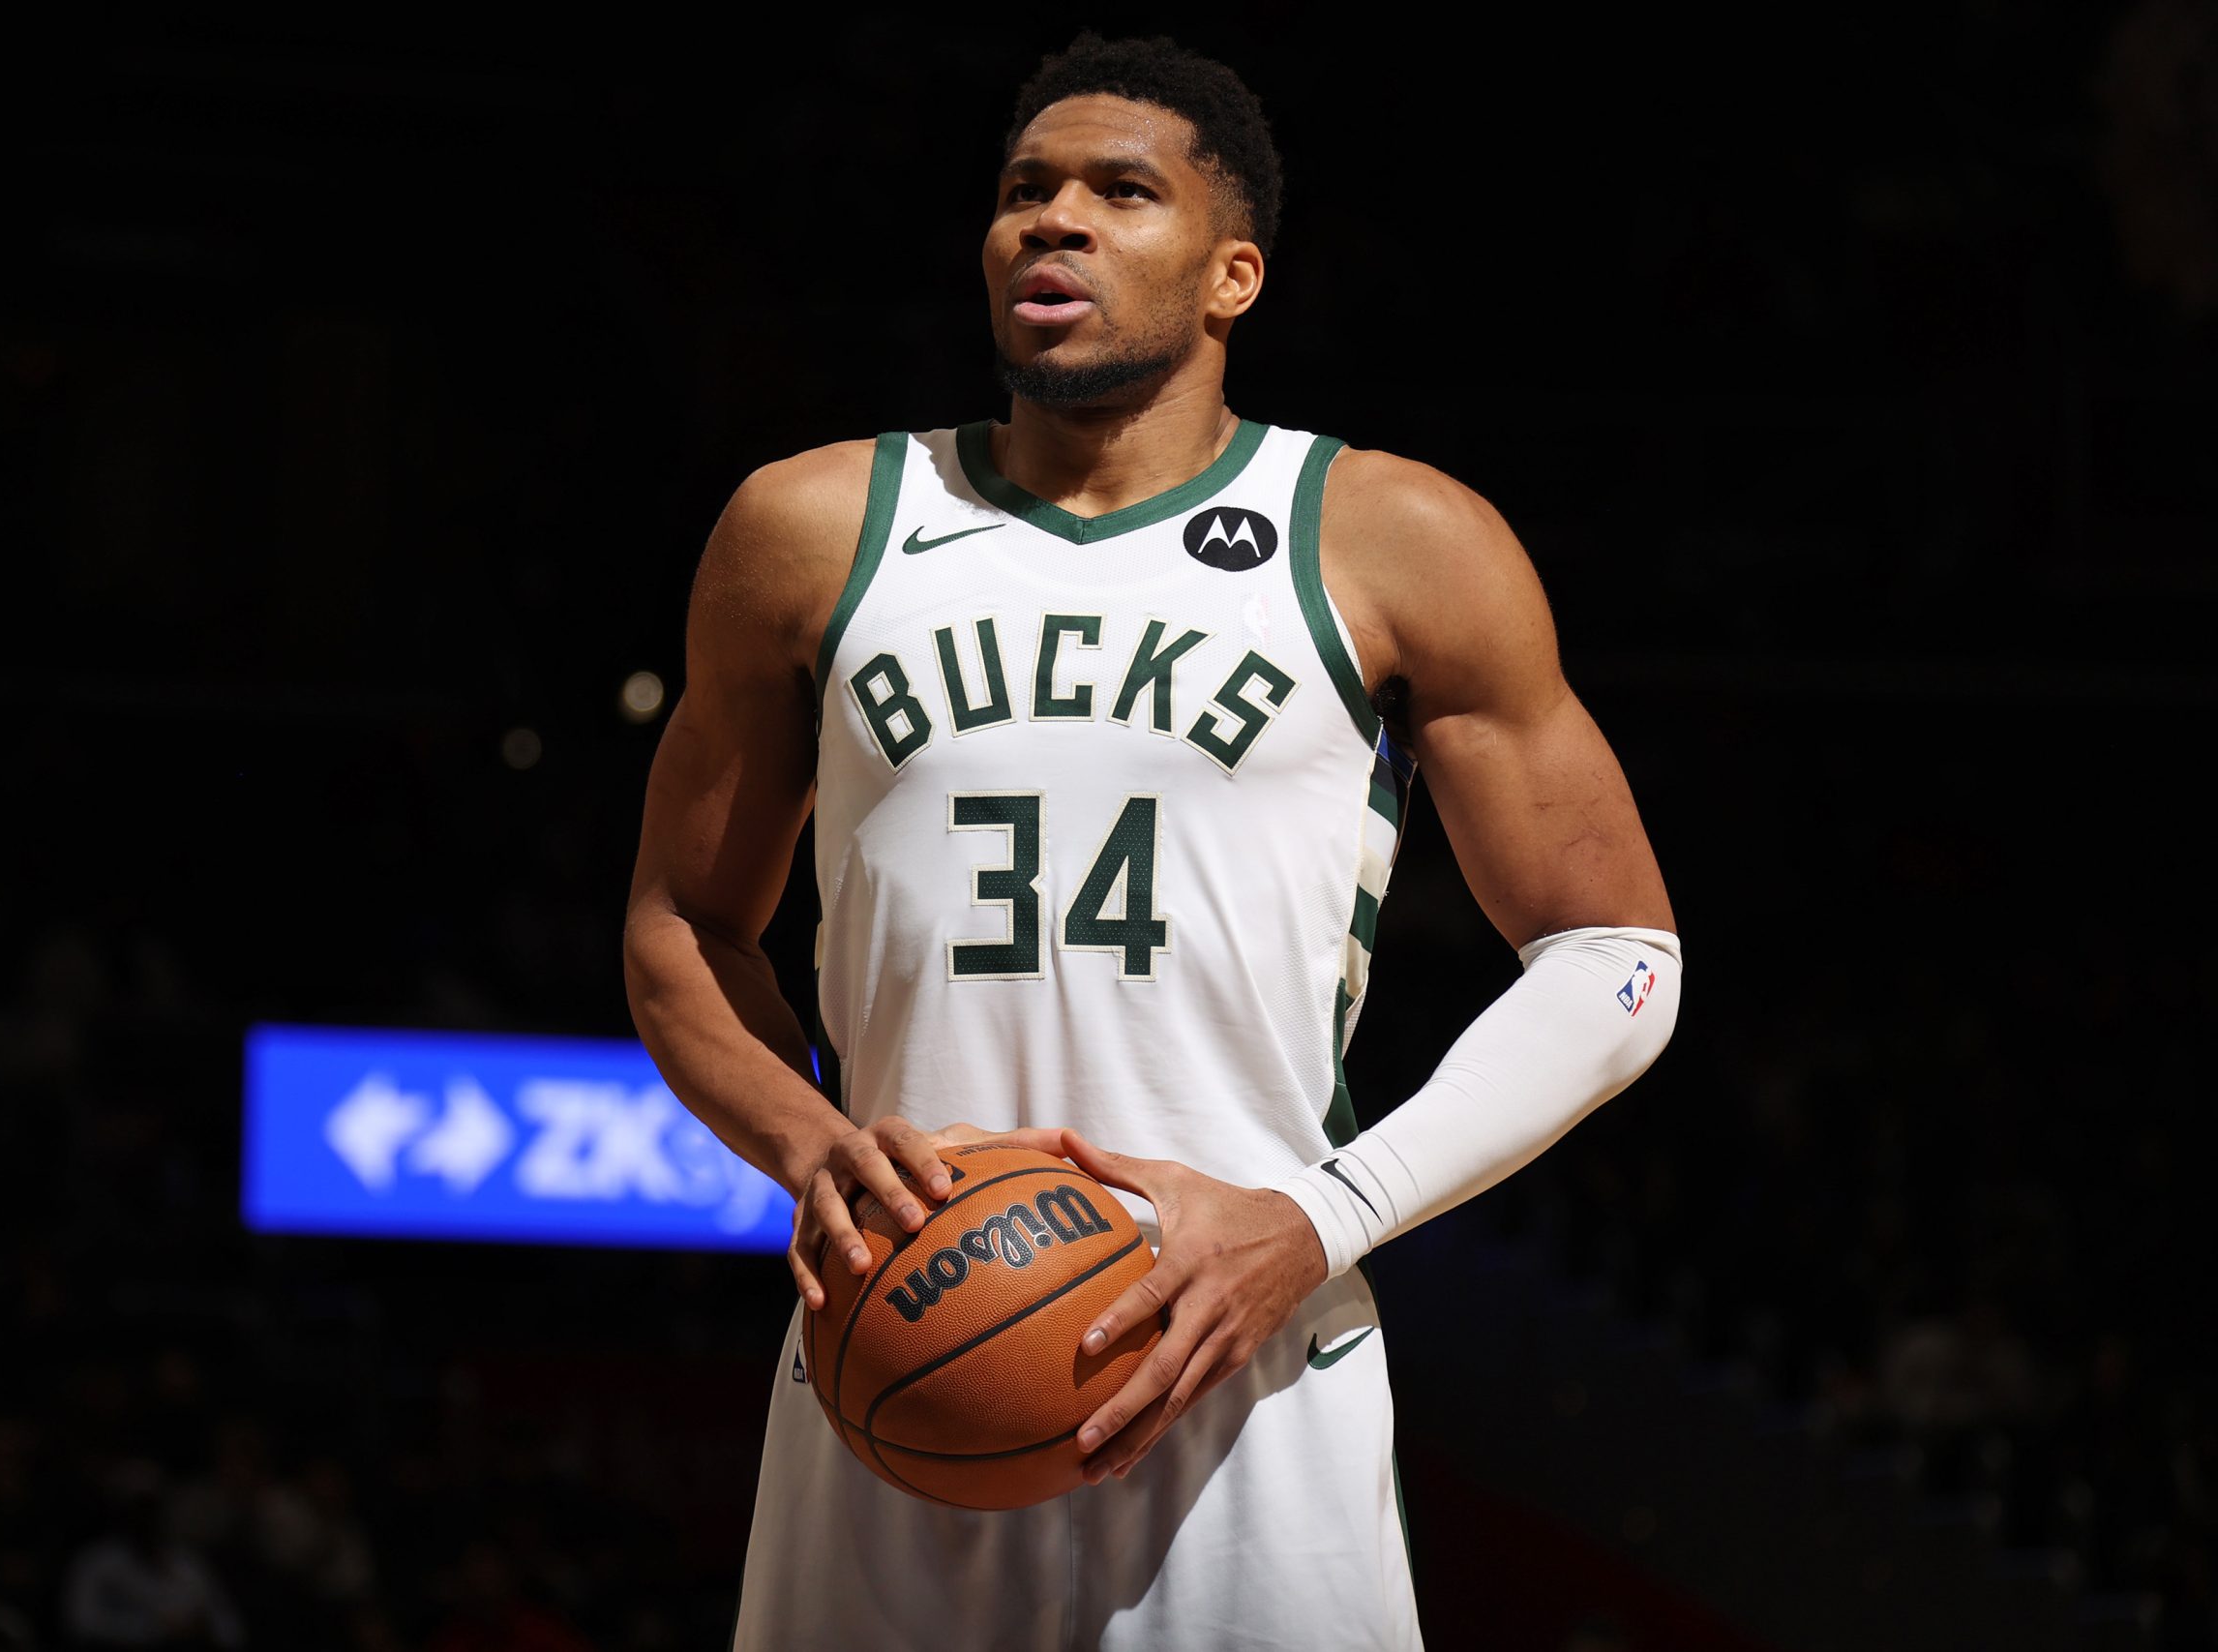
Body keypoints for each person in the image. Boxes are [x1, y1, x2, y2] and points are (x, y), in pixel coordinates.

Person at [624, 32, 1681, 1650]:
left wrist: (1323, 1217)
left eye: (1121, 192)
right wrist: (810, 1144)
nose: (1051, 220)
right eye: (1023, 190)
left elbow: (1618, 958)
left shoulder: (1395, 536)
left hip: (1255, 1362)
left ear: (1231, 275)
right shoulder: (812, 528)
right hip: (901, 1345)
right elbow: (683, 927)